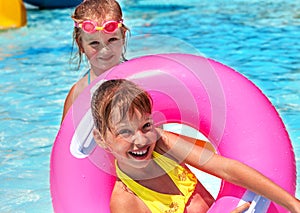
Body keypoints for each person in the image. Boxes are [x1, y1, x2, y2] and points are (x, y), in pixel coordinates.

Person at [91, 79, 300, 213]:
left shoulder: (162, 144)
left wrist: (293, 204)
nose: (141, 140)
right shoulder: (126, 201)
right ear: (101, 139)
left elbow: (226, 168)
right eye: (125, 132)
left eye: (146, 125)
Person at [61, 0, 129, 122]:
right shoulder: (78, 93)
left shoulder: (139, 79)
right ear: (80, 45)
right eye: (94, 43)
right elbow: (65, 139)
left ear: (123, 36)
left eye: (112, 39)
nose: (105, 50)